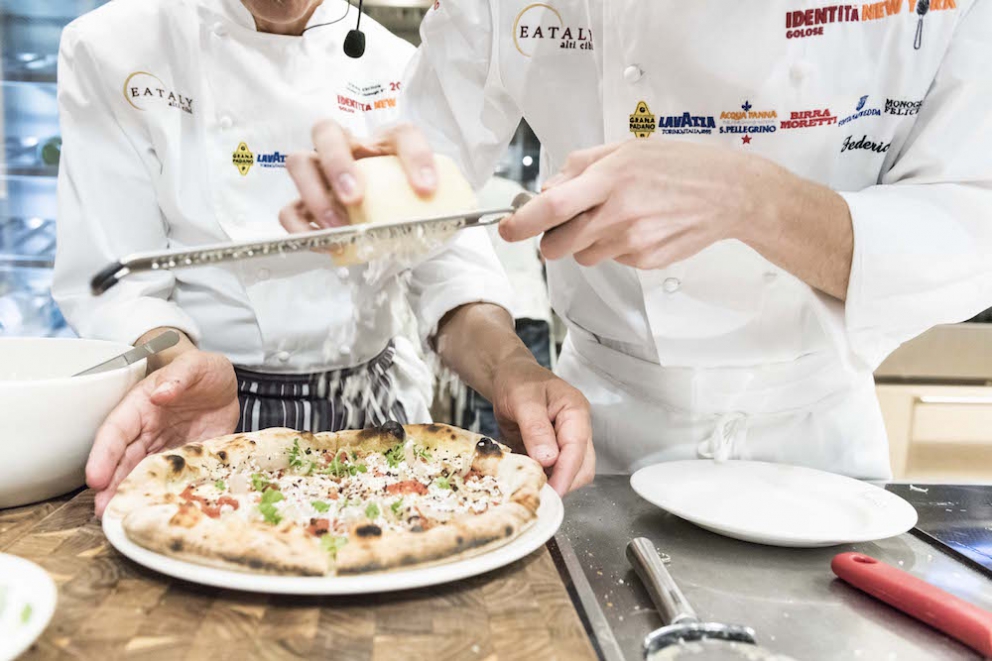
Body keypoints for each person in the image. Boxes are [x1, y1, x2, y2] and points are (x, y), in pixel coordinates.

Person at [282, 1, 992, 480]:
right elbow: (429, 183)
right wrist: (370, 195)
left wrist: (751, 200)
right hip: (599, 440)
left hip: (822, 445)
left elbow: (971, 227)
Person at [53, 0, 594, 516]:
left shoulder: (400, 65)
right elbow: (123, 288)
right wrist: (176, 366)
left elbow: (450, 274)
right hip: (200, 417)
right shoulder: (112, 48)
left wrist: (513, 369)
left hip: (378, 421)